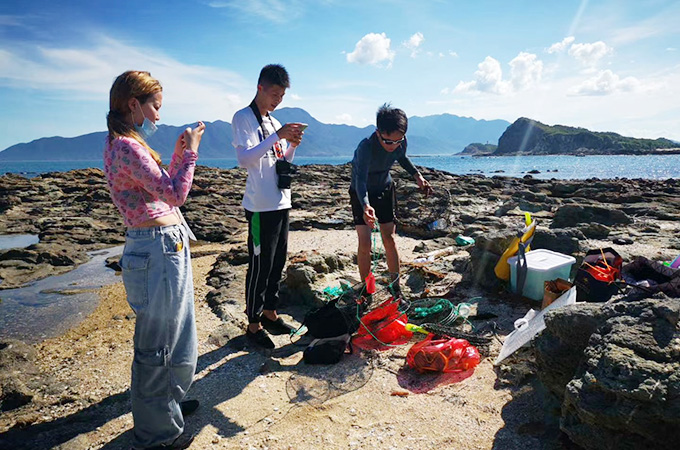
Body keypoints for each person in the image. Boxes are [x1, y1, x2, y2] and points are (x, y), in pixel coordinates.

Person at [103, 70, 205, 450]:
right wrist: (192, 150)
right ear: (134, 104)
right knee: (160, 342)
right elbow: (176, 194)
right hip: (156, 247)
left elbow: (159, 187)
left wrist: (178, 154)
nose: (159, 115)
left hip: (161, 244)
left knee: (176, 336)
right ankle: (157, 433)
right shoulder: (127, 147)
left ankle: (167, 408)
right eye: (155, 106)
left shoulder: (123, 143)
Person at [231, 64, 304, 349]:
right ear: (260, 87)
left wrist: (292, 144)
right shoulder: (244, 118)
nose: (278, 100)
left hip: (281, 201)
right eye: (274, 93)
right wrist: (279, 136)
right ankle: (253, 323)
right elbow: (246, 159)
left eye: (282, 95)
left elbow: (279, 160)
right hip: (260, 206)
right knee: (259, 265)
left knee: (277, 263)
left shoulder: (274, 122)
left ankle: (270, 312)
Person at [350, 103, 433, 299]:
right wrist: (365, 205)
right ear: (378, 132)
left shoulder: (400, 142)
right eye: (388, 142)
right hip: (361, 193)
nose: (393, 146)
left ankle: (395, 288)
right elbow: (360, 180)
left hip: (385, 189)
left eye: (398, 140)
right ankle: (366, 288)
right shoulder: (366, 147)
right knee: (365, 243)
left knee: (390, 239)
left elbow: (402, 158)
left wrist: (417, 176)